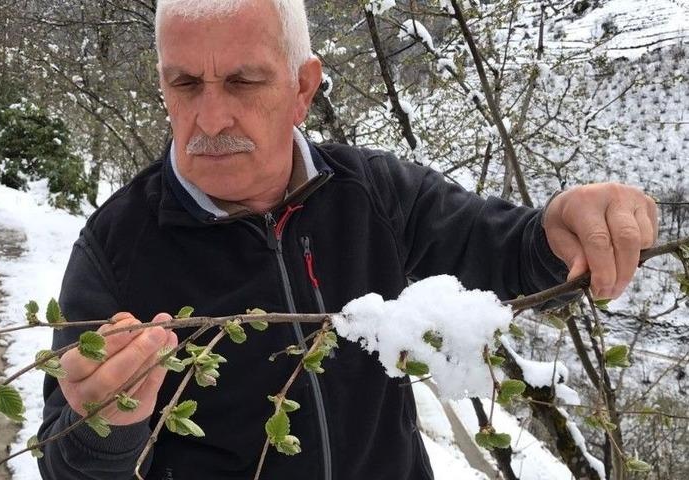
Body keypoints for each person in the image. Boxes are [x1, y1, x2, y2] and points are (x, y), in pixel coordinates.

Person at [37, 1, 659, 479]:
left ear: (303, 88)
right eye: (185, 84)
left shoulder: (372, 192)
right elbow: (67, 461)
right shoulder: (115, 247)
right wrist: (106, 424)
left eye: (243, 82)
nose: (210, 118)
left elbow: (510, 253)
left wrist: (565, 227)